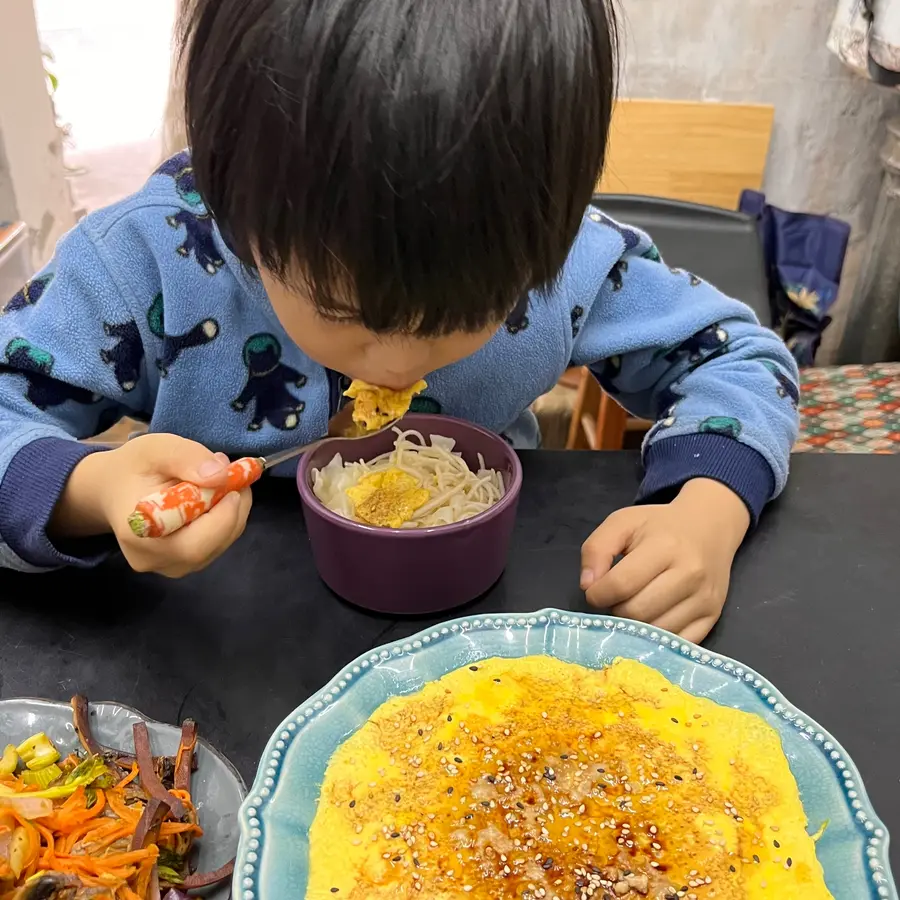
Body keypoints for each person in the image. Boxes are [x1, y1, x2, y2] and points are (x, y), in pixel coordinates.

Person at [0, 0, 798, 642]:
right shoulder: (144, 260)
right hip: (223, 636)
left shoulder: (566, 257)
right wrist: (90, 489)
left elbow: (740, 358)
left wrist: (708, 508)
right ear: (236, 198)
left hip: (490, 624)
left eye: (470, 311)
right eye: (348, 313)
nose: (398, 360)